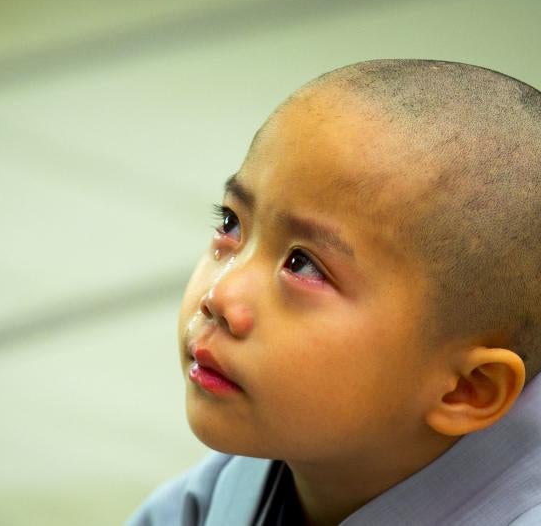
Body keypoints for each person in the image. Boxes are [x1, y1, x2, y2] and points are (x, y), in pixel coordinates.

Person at [126, 59, 541, 526]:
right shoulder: (231, 488)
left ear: (467, 388)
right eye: (231, 224)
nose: (219, 297)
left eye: (305, 266)